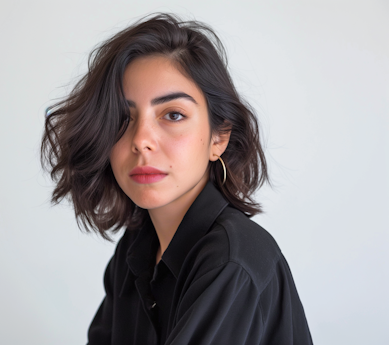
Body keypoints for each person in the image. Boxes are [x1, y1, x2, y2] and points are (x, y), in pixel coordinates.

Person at [40, 13, 312, 345]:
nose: (141, 139)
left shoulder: (231, 261)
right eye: (122, 118)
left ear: (218, 137)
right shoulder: (136, 250)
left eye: (173, 115)